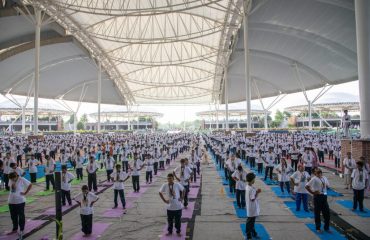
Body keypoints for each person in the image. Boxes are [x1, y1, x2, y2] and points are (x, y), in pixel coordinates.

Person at [7, 172, 32, 239]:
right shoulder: (11, 179)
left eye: (13, 178)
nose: (12, 180)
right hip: (11, 201)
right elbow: (11, 188)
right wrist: (12, 184)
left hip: (20, 201)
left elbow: (30, 184)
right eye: (11, 179)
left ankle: (21, 229)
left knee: (21, 215)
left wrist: (25, 192)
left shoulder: (21, 179)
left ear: (16, 176)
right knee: (13, 216)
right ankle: (14, 229)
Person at [305, 168, 331, 233]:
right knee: (317, 213)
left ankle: (326, 227)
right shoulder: (314, 179)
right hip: (317, 197)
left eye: (320, 173)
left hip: (324, 196)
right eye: (317, 173)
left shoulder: (324, 178)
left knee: (327, 213)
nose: (319, 174)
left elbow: (327, 186)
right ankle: (318, 228)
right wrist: (313, 193)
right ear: (315, 174)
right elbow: (307, 186)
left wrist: (326, 187)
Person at [245, 172, 261, 240]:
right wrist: (257, 192)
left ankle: (253, 233)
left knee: (251, 222)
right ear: (252, 180)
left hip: (250, 207)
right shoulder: (251, 189)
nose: (255, 180)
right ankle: (249, 235)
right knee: (250, 222)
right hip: (252, 208)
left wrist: (256, 192)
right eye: (254, 179)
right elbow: (252, 199)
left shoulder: (248, 186)